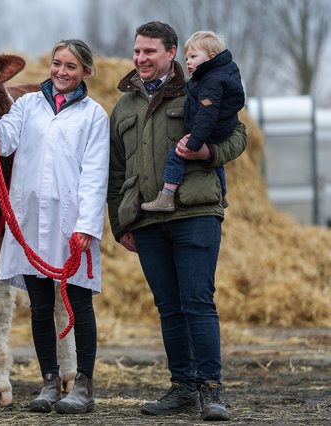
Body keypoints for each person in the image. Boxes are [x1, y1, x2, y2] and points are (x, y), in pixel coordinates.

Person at [107, 22, 247, 421]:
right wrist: (120, 223)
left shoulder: (199, 87)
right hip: (147, 218)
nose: (140, 58)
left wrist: (208, 155)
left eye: (149, 52)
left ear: (171, 53)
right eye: (137, 51)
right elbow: (116, 171)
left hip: (195, 211)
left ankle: (211, 390)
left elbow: (238, 136)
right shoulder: (123, 106)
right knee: (169, 307)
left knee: (197, 302)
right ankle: (183, 387)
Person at [0, 39, 109, 414]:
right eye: (56, 63)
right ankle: (49, 381)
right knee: (39, 306)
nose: (61, 72)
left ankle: (83, 384)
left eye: (70, 66)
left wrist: (87, 226)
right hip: (29, 222)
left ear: (85, 73)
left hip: (71, 225)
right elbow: (2, 144)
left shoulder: (94, 115)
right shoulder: (28, 105)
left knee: (79, 304)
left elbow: (96, 174)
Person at [141, 30, 245, 212]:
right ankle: (222, 194)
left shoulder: (210, 83)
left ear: (211, 57)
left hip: (210, 131)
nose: (188, 61)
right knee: (216, 164)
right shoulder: (217, 77)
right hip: (220, 129)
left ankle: (166, 196)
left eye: (193, 56)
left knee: (177, 154)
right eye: (187, 57)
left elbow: (206, 113)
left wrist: (194, 142)